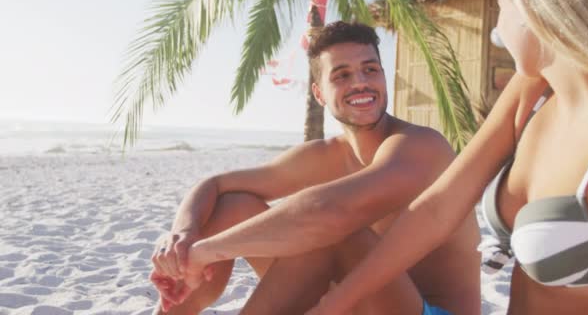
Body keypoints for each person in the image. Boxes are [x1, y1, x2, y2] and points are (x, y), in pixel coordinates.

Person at [150, 21, 482, 315]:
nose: (361, 83)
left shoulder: (419, 146)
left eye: (371, 69)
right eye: (342, 75)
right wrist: (182, 238)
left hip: (428, 311)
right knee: (234, 205)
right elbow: (217, 184)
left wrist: (205, 252)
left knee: (335, 233)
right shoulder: (323, 156)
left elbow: (332, 212)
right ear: (319, 93)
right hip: (350, 303)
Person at [305, 0, 588, 314]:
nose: (497, 26)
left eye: (502, 7)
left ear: (533, 10)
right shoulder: (532, 92)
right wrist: (335, 302)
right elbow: (439, 207)